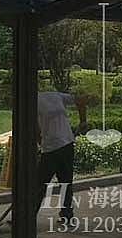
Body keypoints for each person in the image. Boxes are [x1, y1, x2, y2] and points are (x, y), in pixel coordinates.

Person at [35, 91, 88, 222]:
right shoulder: (55, 95)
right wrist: (83, 122)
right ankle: (67, 214)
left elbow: (34, 129)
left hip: (52, 148)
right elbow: (81, 99)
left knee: (39, 185)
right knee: (65, 181)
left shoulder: (33, 102)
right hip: (66, 144)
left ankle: (27, 216)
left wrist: (40, 143)